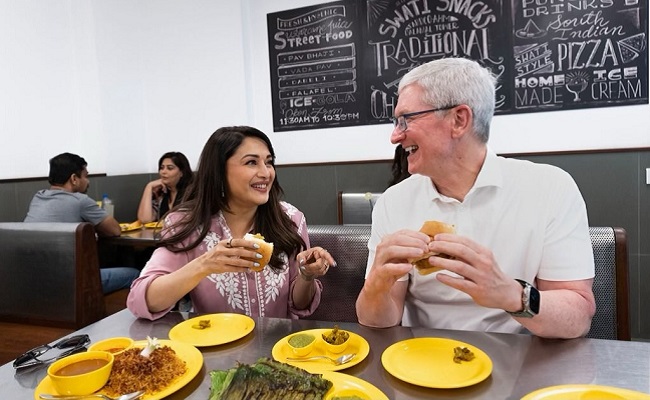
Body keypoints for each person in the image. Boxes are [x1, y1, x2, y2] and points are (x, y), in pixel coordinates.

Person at [355, 58, 596, 339]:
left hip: (519, 365)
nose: (396, 136)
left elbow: (578, 317)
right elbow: (377, 321)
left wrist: (512, 295)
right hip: (418, 361)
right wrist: (376, 285)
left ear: (459, 120)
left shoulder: (551, 188)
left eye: (406, 119)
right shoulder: (393, 202)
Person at [127, 126, 336, 320]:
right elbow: (141, 299)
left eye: (269, 162)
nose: (266, 173)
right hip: (215, 352)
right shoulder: (186, 223)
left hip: (278, 350)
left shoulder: (290, 219)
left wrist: (306, 275)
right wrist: (205, 264)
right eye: (251, 162)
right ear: (219, 171)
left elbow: (301, 304)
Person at [24, 152, 140, 294]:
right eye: (86, 176)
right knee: (134, 275)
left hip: (32, 280)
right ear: (74, 179)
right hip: (68, 282)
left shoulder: (38, 197)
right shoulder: (80, 200)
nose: (88, 181)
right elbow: (115, 230)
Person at [137, 152, 193, 223]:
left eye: (170, 168)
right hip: (162, 233)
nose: (163, 172)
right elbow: (145, 219)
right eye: (162, 168)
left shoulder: (192, 192)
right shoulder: (159, 192)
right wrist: (149, 187)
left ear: (181, 172)